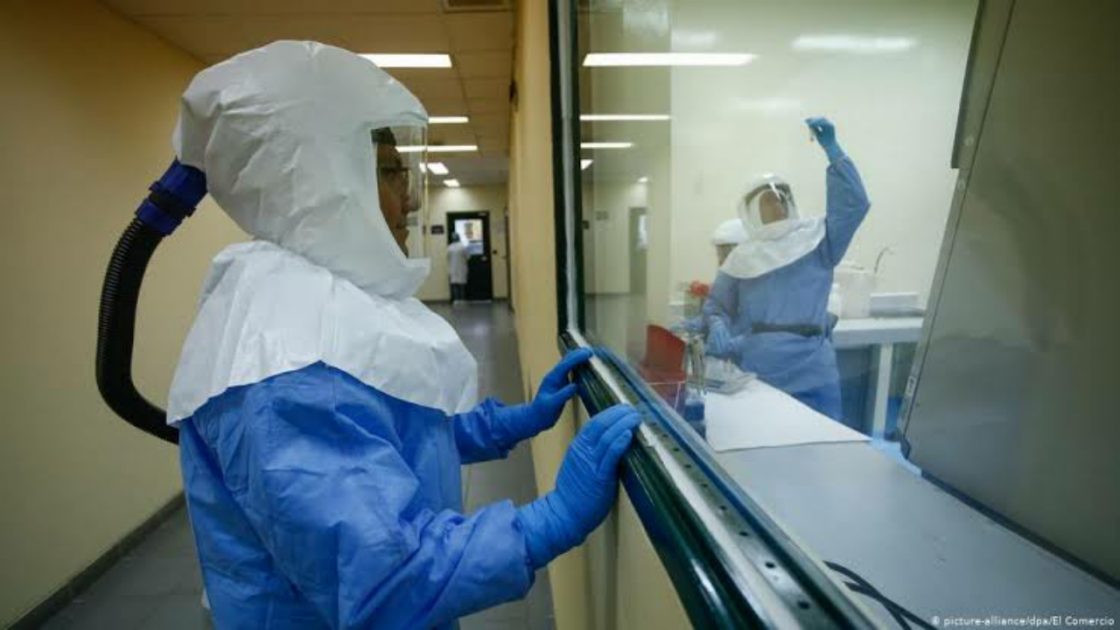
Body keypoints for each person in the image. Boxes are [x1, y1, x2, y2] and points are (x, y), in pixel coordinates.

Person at [167, 41, 640, 629]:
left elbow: (389, 433)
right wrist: (549, 521)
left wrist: (507, 424)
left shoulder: (314, 305)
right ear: (326, 179)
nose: (412, 198)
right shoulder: (285, 360)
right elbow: (388, 579)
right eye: (392, 172)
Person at [703, 117, 870, 420]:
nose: (777, 205)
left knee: (824, 440)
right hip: (762, 372)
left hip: (815, 370)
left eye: (782, 197)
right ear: (752, 211)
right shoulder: (741, 259)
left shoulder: (819, 239)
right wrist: (717, 325)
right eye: (768, 201)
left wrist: (834, 152)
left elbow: (854, 205)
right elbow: (717, 306)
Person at [447, 231, 470, 304]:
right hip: (462, 268)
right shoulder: (462, 247)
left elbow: (447, 258)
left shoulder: (449, 247)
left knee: (454, 285)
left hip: (452, 268)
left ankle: (456, 300)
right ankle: (462, 300)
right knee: (462, 285)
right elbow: (468, 257)